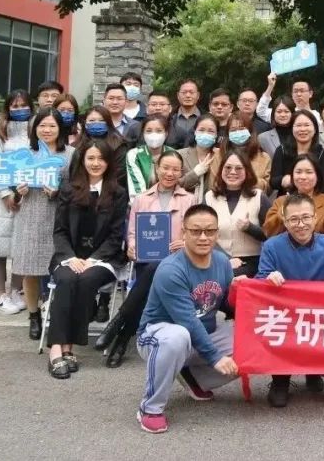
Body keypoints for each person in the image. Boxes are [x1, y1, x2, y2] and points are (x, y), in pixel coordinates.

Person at [135, 204, 239, 434]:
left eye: (210, 231)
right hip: (158, 336)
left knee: (250, 340)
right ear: (184, 232)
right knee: (178, 336)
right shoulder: (171, 269)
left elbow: (224, 304)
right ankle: (150, 408)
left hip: (201, 335)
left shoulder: (222, 262)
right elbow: (187, 320)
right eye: (196, 231)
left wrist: (240, 292)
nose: (203, 237)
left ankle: (194, 378)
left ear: (217, 233)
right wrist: (215, 357)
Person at [257, 193, 324, 407]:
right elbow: (260, 279)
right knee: (277, 399)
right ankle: (280, 380)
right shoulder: (271, 246)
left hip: (318, 316)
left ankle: (312, 370)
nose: (301, 224)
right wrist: (268, 278)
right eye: (294, 219)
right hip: (285, 317)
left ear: (315, 218)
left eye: (306, 217)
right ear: (285, 221)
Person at [96, 151, 197, 369]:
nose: (170, 173)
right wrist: (132, 247)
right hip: (146, 261)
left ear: (181, 173)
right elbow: (132, 232)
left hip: (178, 262)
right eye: (165, 168)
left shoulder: (190, 199)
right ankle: (121, 337)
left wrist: (184, 242)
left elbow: (195, 231)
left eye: (175, 169)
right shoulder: (142, 199)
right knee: (151, 274)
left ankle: (119, 328)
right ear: (157, 168)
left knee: (155, 270)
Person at [46, 140, 129, 378]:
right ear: (82, 160)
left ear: (108, 162)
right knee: (66, 279)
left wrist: (92, 259)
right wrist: (70, 257)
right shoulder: (68, 189)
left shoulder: (118, 193)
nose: (95, 163)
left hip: (103, 259)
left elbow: (115, 236)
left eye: (101, 159)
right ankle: (57, 349)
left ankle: (69, 345)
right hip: (69, 256)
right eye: (91, 158)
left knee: (85, 280)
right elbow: (60, 231)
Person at [10, 109, 74, 339]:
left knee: (59, 270)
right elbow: (12, 186)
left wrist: (58, 191)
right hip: (29, 217)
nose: (47, 130)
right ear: (34, 129)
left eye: (52, 126)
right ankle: (34, 315)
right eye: (42, 125)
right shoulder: (24, 154)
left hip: (58, 218)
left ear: (61, 129)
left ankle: (55, 313)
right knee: (30, 270)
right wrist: (18, 191)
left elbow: (77, 187)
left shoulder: (71, 154)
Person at [0, 90, 32, 315]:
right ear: (8, 108)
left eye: (24, 105)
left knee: (22, 246)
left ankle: (16, 291)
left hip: (28, 197)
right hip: (0, 199)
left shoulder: (36, 131)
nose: (20, 109)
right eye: (15, 106)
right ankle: (0, 295)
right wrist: (4, 193)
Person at [204, 150, 273, 273]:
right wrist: (226, 259)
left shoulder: (259, 197)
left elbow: (272, 234)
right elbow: (203, 233)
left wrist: (250, 228)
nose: (232, 172)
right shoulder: (209, 197)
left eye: (238, 168)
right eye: (228, 167)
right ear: (221, 170)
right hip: (216, 261)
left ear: (247, 171)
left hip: (251, 265)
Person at [264, 154, 324, 237]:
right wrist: (284, 210)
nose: (303, 177)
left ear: (317, 176)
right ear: (292, 176)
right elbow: (268, 233)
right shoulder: (280, 202)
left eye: (309, 172)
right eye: (298, 172)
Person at [270, 110, 324, 196]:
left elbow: (322, 183)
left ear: (315, 129)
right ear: (291, 129)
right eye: (298, 125)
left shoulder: (323, 153)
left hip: (314, 199)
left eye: (307, 125)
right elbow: (273, 182)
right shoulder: (282, 150)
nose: (302, 129)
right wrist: (283, 180)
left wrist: (294, 180)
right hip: (286, 199)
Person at [76, 105, 130, 188]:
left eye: (101, 120)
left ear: (108, 123)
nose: (96, 123)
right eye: (92, 120)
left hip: (111, 189)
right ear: (85, 124)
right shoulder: (77, 145)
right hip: (81, 189)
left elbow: (119, 174)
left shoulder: (119, 145)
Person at [126, 114, 176, 197]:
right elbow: (137, 189)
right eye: (149, 131)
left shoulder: (173, 153)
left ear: (166, 133)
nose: (154, 135)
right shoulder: (134, 155)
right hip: (141, 201)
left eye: (159, 131)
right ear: (143, 133)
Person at [178, 115, 222, 200]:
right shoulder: (180, 155)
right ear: (195, 131)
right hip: (186, 204)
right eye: (201, 130)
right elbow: (174, 184)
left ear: (216, 134)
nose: (205, 134)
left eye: (211, 131)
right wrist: (195, 173)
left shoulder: (220, 156)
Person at [224, 114, 272, 191]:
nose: (237, 132)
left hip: (253, 196)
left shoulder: (264, 157)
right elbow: (214, 184)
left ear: (250, 131)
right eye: (233, 130)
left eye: (241, 129)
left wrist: (248, 178)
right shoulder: (220, 154)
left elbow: (267, 187)